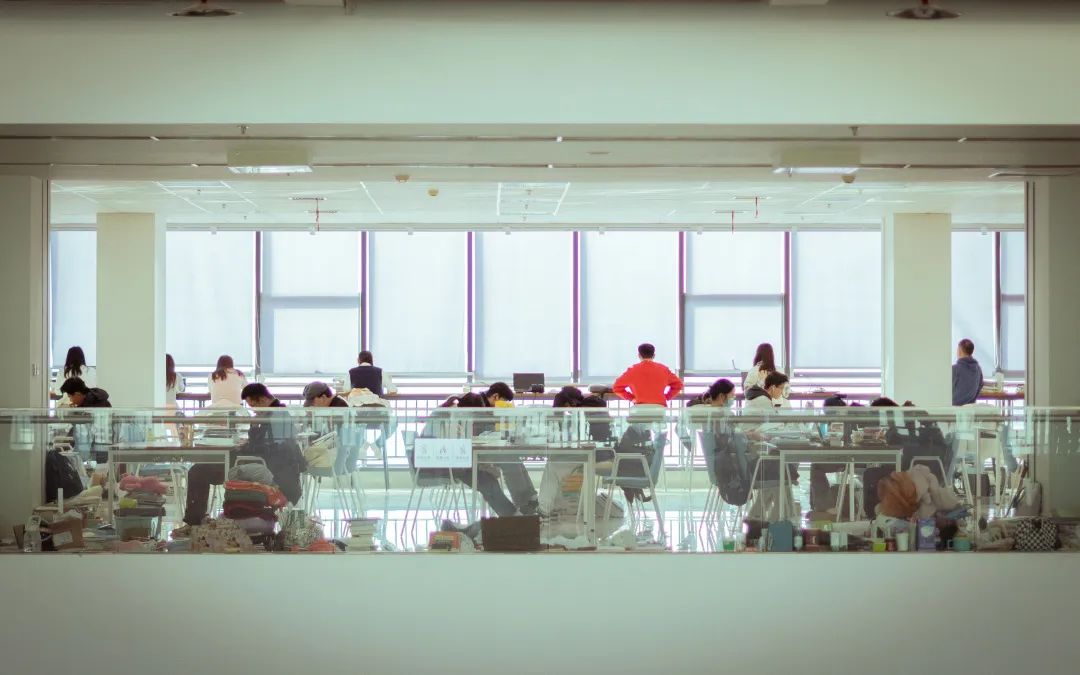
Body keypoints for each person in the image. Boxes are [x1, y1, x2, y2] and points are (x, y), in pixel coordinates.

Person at [173, 383, 304, 538]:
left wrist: (246, 445)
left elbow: (271, 450)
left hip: (253, 466)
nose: (253, 410)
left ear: (262, 399)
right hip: (255, 463)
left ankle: (194, 522)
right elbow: (271, 446)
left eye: (253, 405)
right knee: (200, 470)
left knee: (198, 471)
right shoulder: (278, 414)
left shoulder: (275, 417)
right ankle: (196, 520)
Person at [612, 343, 683, 406]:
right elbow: (678, 385)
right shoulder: (663, 369)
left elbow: (616, 387)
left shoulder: (632, 370)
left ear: (639, 355)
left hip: (639, 407)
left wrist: (632, 398)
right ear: (654, 355)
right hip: (659, 407)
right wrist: (667, 397)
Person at [952, 338, 984, 406]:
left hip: (954, 408)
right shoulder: (978, 369)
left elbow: (947, 390)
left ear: (960, 350)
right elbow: (979, 387)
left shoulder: (955, 369)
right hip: (970, 408)